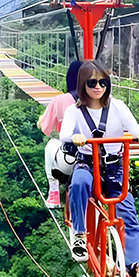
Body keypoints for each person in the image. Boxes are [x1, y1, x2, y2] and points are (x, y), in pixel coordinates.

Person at [59, 59, 139, 277]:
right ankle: (80, 235)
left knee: (128, 215)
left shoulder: (118, 106)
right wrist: (75, 137)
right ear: (83, 85)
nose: (98, 87)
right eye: (92, 83)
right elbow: (64, 133)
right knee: (80, 182)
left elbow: (133, 127)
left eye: (103, 82)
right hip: (88, 164)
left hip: (114, 169)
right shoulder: (74, 111)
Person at [37, 60, 82, 208]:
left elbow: (45, 128)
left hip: (70, 161)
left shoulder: (59, 100)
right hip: (99, 160)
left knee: (51, 145)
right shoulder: (100, 100)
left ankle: (53, 192)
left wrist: (42, 119)